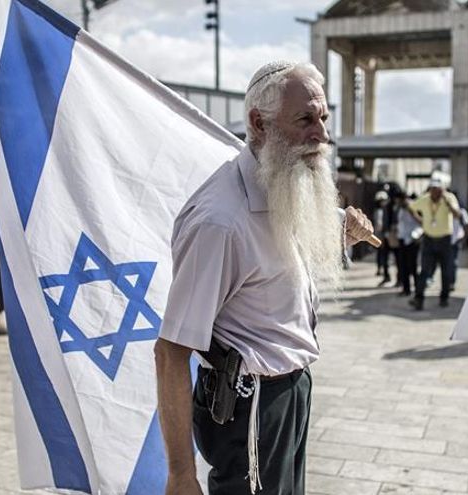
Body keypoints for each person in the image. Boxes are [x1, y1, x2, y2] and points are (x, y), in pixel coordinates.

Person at [154, 61, 375, 495]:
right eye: (305, 120)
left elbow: (282, 250)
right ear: (259, 123)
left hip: (289, 392)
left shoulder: (279, 182)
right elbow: (170, 351)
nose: (322, 136)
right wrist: (181, 474)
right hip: (249, 406)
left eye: (324, 119)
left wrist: (342, 229)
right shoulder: (220, 223)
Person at [408, 178, 460, 310]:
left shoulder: (449, 198)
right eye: (432, 190)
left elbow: (457, 214)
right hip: (429, 239)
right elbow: (411, 207)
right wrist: (420, 220)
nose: (434, 194)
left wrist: (448, 203)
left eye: (437, 191)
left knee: (446, 270)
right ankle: (418, 299)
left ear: (442, 190)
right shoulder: (425, 199)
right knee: (424, 270)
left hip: (445, 239)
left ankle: (444, 297)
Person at [394, 192, 421, 297]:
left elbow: (421, 222)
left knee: (413, 266)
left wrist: (412, 212)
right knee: (403, 265)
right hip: (402, 239)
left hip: (412, 239)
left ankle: (418, 289)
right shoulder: (400, 208)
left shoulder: (414, 206)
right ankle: (406, 289)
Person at [449, 198, 468, 291]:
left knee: (453, 262)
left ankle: (451, 282)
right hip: (445, 239)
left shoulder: (461, 211)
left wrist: (464, 239)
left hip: (456, 239)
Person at [373, 189, 392, 285]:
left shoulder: (387, 210)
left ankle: (386, 275)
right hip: (380, 236)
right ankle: (383, 271)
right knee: (381, 255)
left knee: (384, 256)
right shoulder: (378, 211)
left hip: (384, 237)